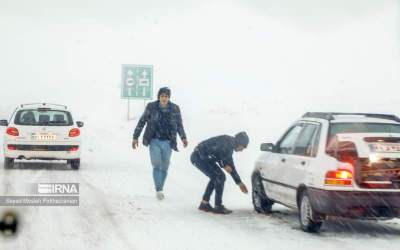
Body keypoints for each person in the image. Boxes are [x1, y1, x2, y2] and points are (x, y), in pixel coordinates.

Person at [132, 87, 188, 200]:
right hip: (154, 140)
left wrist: (183, 137)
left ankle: (160, 187)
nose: (164, 98)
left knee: (165, 166)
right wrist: (135, 137)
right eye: (162, 96)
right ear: (159, 97)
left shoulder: (175, 109)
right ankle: (159, 190)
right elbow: (142, 121)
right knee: (157, 164)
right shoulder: (151, 107)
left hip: (168, 141)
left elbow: (179, 124)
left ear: (169, 97)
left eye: (166, 96)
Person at [190, 132, 249, 214]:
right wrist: (223, 165)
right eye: (243, 147)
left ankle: (204, 203)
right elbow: (204, 149)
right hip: (198, 157)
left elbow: (231, 167)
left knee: (217, 176)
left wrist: (239, 183)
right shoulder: (225, 142)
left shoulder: (229, 147)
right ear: (240, 143)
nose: (242, 150)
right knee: (219, 176)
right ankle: (218, 206)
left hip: (203, 158)